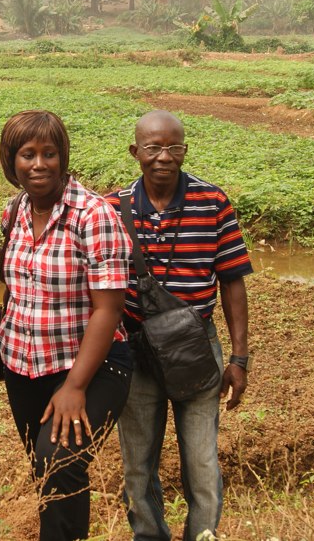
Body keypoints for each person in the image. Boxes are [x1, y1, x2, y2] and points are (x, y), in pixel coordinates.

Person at [0, 110, 133, 541]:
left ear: (63, 157)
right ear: (11, 161)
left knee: (59, 460)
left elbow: (108, 310)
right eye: (27, 154)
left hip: (90, 367)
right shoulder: (16, 211)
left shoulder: (94, 216)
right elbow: (12, 273)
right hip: (25, 367)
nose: (39, 164)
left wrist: (75, 387)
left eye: (49, 153)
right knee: (49, 473)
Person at [105, 110, 252, 541]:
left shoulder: (213, 202)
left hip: (196, 346)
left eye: (174, 147)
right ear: (136, 152)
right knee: (137, 464)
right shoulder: (114, 208)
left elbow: (232, 282)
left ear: (185, 150)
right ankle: (150, 536)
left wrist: (239, 358)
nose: (164, 157)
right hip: (137, 346)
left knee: (202, 463)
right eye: (153, 147)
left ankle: (202, 536)